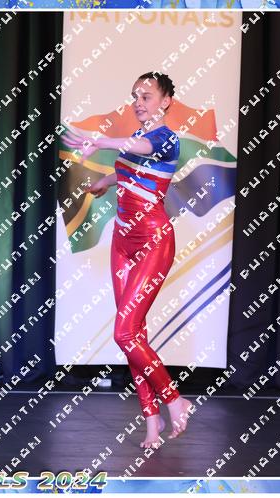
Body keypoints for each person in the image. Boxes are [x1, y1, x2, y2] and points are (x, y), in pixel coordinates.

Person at [62, 72, 193, 449]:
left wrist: (100, 140)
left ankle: (175, 399)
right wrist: (106, 183)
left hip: (152, 241)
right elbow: (134, 170)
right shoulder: (136, 140)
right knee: (134, 336)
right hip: (122, 242)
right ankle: (152, 423)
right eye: (135, 95)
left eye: (147, 96)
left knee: (124, 332)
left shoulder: (165, 138)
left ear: (166, 101)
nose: (139, 102)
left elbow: (141, 147)